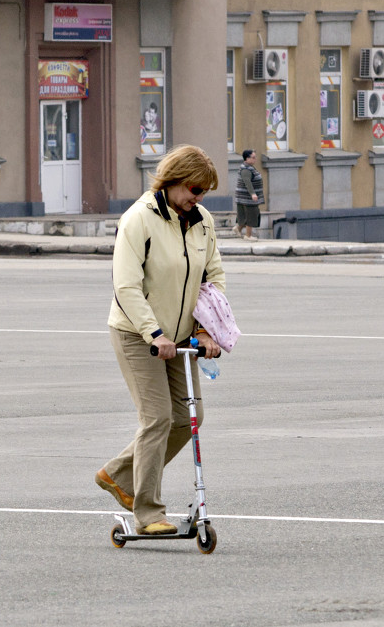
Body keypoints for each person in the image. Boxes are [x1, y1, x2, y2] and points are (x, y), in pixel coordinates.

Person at [96, 145, 225, 536]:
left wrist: (205, 329)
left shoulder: (202, 221)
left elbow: (212, 278)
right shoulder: (139, 219)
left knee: (191, 417)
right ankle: (147, 511)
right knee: (158, 418)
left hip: (181, 336)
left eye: (203, 192)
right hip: (138, 334)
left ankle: (118, 473)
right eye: (193, 189)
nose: (198, 199)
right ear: (170, 182)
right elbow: (126, 286)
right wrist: (154, 333)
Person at [234, 148, 264, 240]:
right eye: (253, 157)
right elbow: (247, 182)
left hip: (245, 197)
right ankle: (248, 235)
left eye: (255, 157)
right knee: (251, 214)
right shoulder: (246, 169)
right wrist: (253, 194)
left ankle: (237, 228)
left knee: (247, 215)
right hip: (246, 197)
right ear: (247, 158)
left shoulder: (249, 167)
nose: (255, 159)